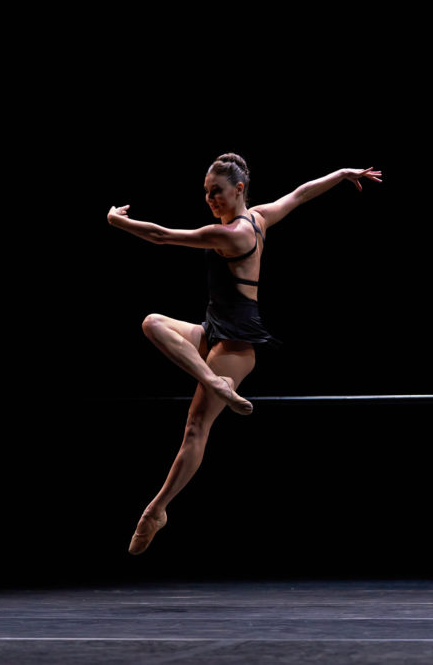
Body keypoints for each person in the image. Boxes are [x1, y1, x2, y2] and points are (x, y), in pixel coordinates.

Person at [107, 153, 382, 554]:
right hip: (212, 332)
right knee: (152, 323)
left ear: (238, 190)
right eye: (205, 193)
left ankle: (156, 510)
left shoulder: (235, 233)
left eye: (216, 192)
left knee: (195, 428)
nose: (209, 199)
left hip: (235, 346)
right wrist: (340, 174)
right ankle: (212, 380)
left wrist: (118, 221)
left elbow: (163, 236)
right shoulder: (260, 217)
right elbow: (301, 194)